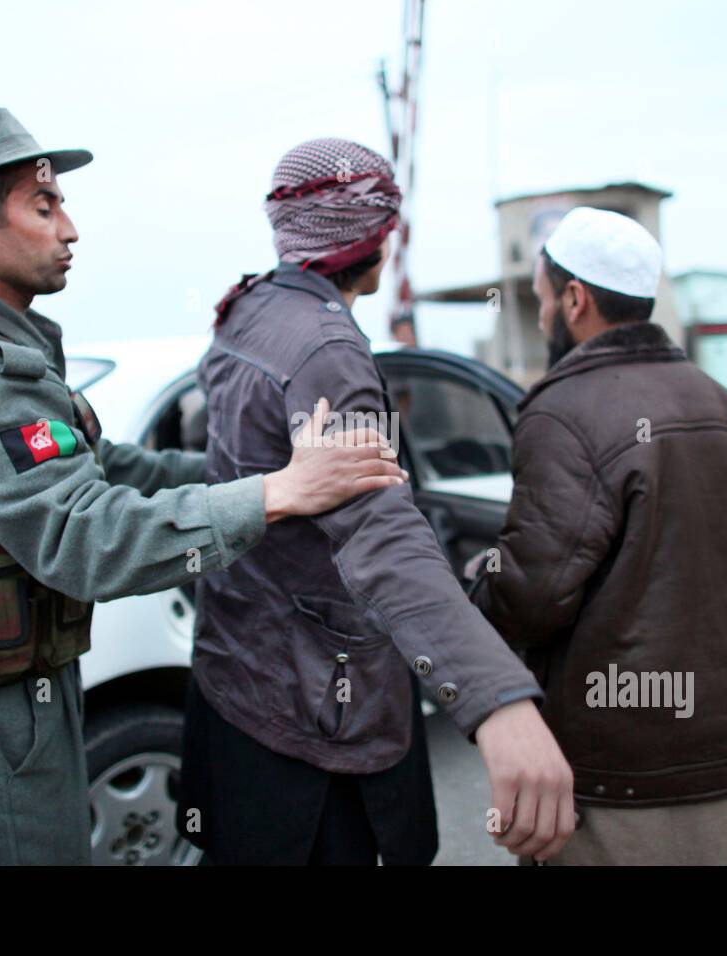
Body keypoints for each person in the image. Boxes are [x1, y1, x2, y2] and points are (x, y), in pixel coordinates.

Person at [0, 110, 407, 865]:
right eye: (45, 206)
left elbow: (110, 469)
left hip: (5, 697)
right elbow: (80, 535)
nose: (71, 229)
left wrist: (269, 474)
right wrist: (277, 496)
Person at [176, 138, 575, 866]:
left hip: (235, 675)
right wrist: (499, 703)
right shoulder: (329, 352)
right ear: (377, 238)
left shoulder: (247, 310)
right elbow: (383, 533)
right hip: (317, 711)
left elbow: (224, 451)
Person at [467, 207, 727, 865]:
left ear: (574, 298)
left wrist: (478, 582)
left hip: (629, 792)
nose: (540, 319)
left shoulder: (565, 411)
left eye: (541, 301)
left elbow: (532, 597)